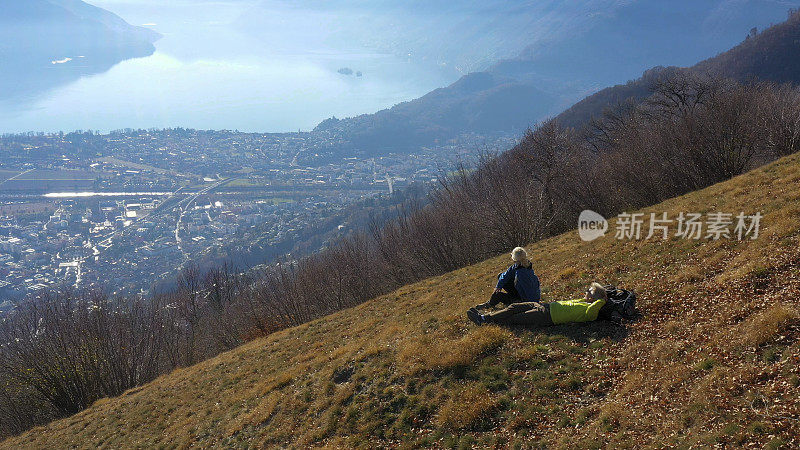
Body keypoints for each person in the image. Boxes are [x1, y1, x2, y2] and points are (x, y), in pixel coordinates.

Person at [467, 282, 608, 327]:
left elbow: (592, 313)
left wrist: (601, 300)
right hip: (544, 306)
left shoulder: (590, 311)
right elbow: (584, 300)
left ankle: (484, 320)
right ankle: (485, 317)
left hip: (547, 317)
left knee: (515, 318)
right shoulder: (584, 302)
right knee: (514, 307)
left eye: (589, 291)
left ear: (594, 298)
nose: (586, 292)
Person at [474, 246, 540, 310]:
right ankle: (492, 302)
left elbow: (530, 291)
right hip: (519, 293)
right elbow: (504, 276)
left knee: (498, 295)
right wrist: (498, 286)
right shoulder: (520, 266)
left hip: (524, 301)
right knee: (500, 276)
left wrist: (530, 304)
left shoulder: (522, 274)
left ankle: (489, 304)